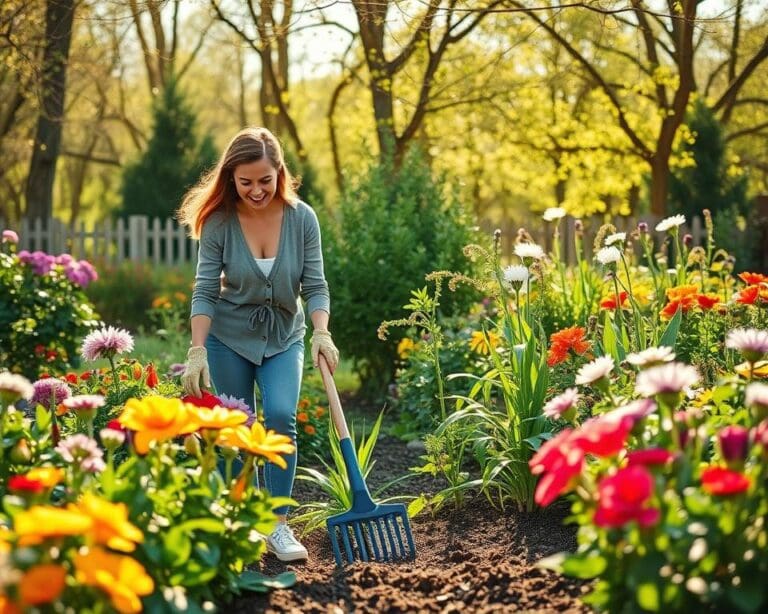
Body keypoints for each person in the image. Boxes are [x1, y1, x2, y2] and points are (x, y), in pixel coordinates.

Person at [177, 127, 339, 562]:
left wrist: (321, 331)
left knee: (282, 417)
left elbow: (316, 285)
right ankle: (238, 521)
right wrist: (197, 350)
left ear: (279, 172)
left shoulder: (302, 217)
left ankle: (278, 525)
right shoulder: (219, 222)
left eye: (264, 180)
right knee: (234, 428)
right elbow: (205, 289)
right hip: (228, 339)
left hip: (285, 337)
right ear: (231, 178)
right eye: (245, 182)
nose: (256, 190)